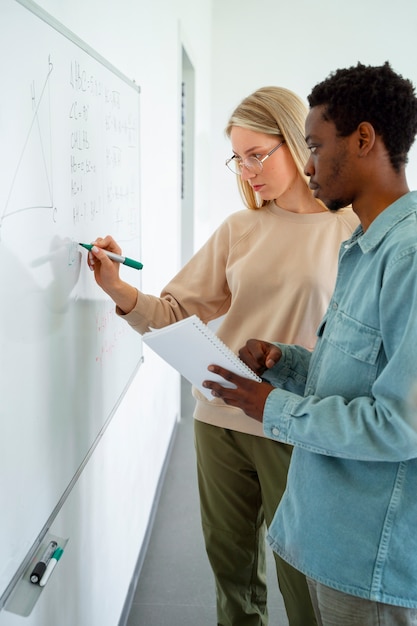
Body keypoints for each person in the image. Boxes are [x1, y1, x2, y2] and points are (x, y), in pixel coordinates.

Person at [86, 86, 358, 626]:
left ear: (296, 142)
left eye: (259, 154)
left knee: (304, 582)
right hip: (220, 421)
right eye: (238, 157)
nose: (247, 170)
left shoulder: (348, 227)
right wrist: (119, 290)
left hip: (294, 426)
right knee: (232, 580)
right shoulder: (240, 229)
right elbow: (174, 310)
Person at [202, 62, 417, 626]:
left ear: (364, 140)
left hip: (370, 555)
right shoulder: (366, 246)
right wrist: (290, 364)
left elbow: (402, 425)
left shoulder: (408, 258)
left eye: (315, 146)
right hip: (336, 537)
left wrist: (273, 407)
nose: (309, 165)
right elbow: (359, 372)